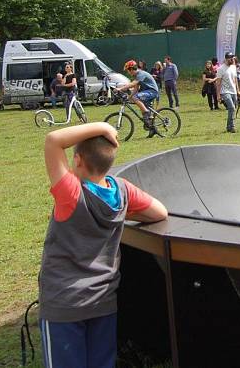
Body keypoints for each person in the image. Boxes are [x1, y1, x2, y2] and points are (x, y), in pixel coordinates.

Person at [38, 122, 167, 368]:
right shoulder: (122, 191)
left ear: (76, 160)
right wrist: (123, 213)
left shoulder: (71, 193)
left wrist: (102, 126)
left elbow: (53, 139)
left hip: (64, 305)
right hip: (103, 302)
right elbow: (159, 212)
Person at [117, 60, 159, 134]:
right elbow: (136, 89)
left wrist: (121, 88)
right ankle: (152, 129)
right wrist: (129, 97)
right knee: (147, 115)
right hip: (147, 92)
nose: (128, 72)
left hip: (152, 91)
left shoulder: (140, 73)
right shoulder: (136, 76)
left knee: (137, 98)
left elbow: (133, 84)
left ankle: (146, 112)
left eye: (128, 70)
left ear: (132, 69)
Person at [214, 52, 239, 133]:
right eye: (230, 58)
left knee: (233, 109)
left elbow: (235, 80)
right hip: (225, 91)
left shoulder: (233, 67)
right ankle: (232, 127)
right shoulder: (221, 69)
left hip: (233, 91)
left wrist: (238, 91)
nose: (232, 59)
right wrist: (218, 95)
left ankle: (229, 126)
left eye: (233, 57)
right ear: (226, 59)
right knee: (231, 107)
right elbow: (218, 83)